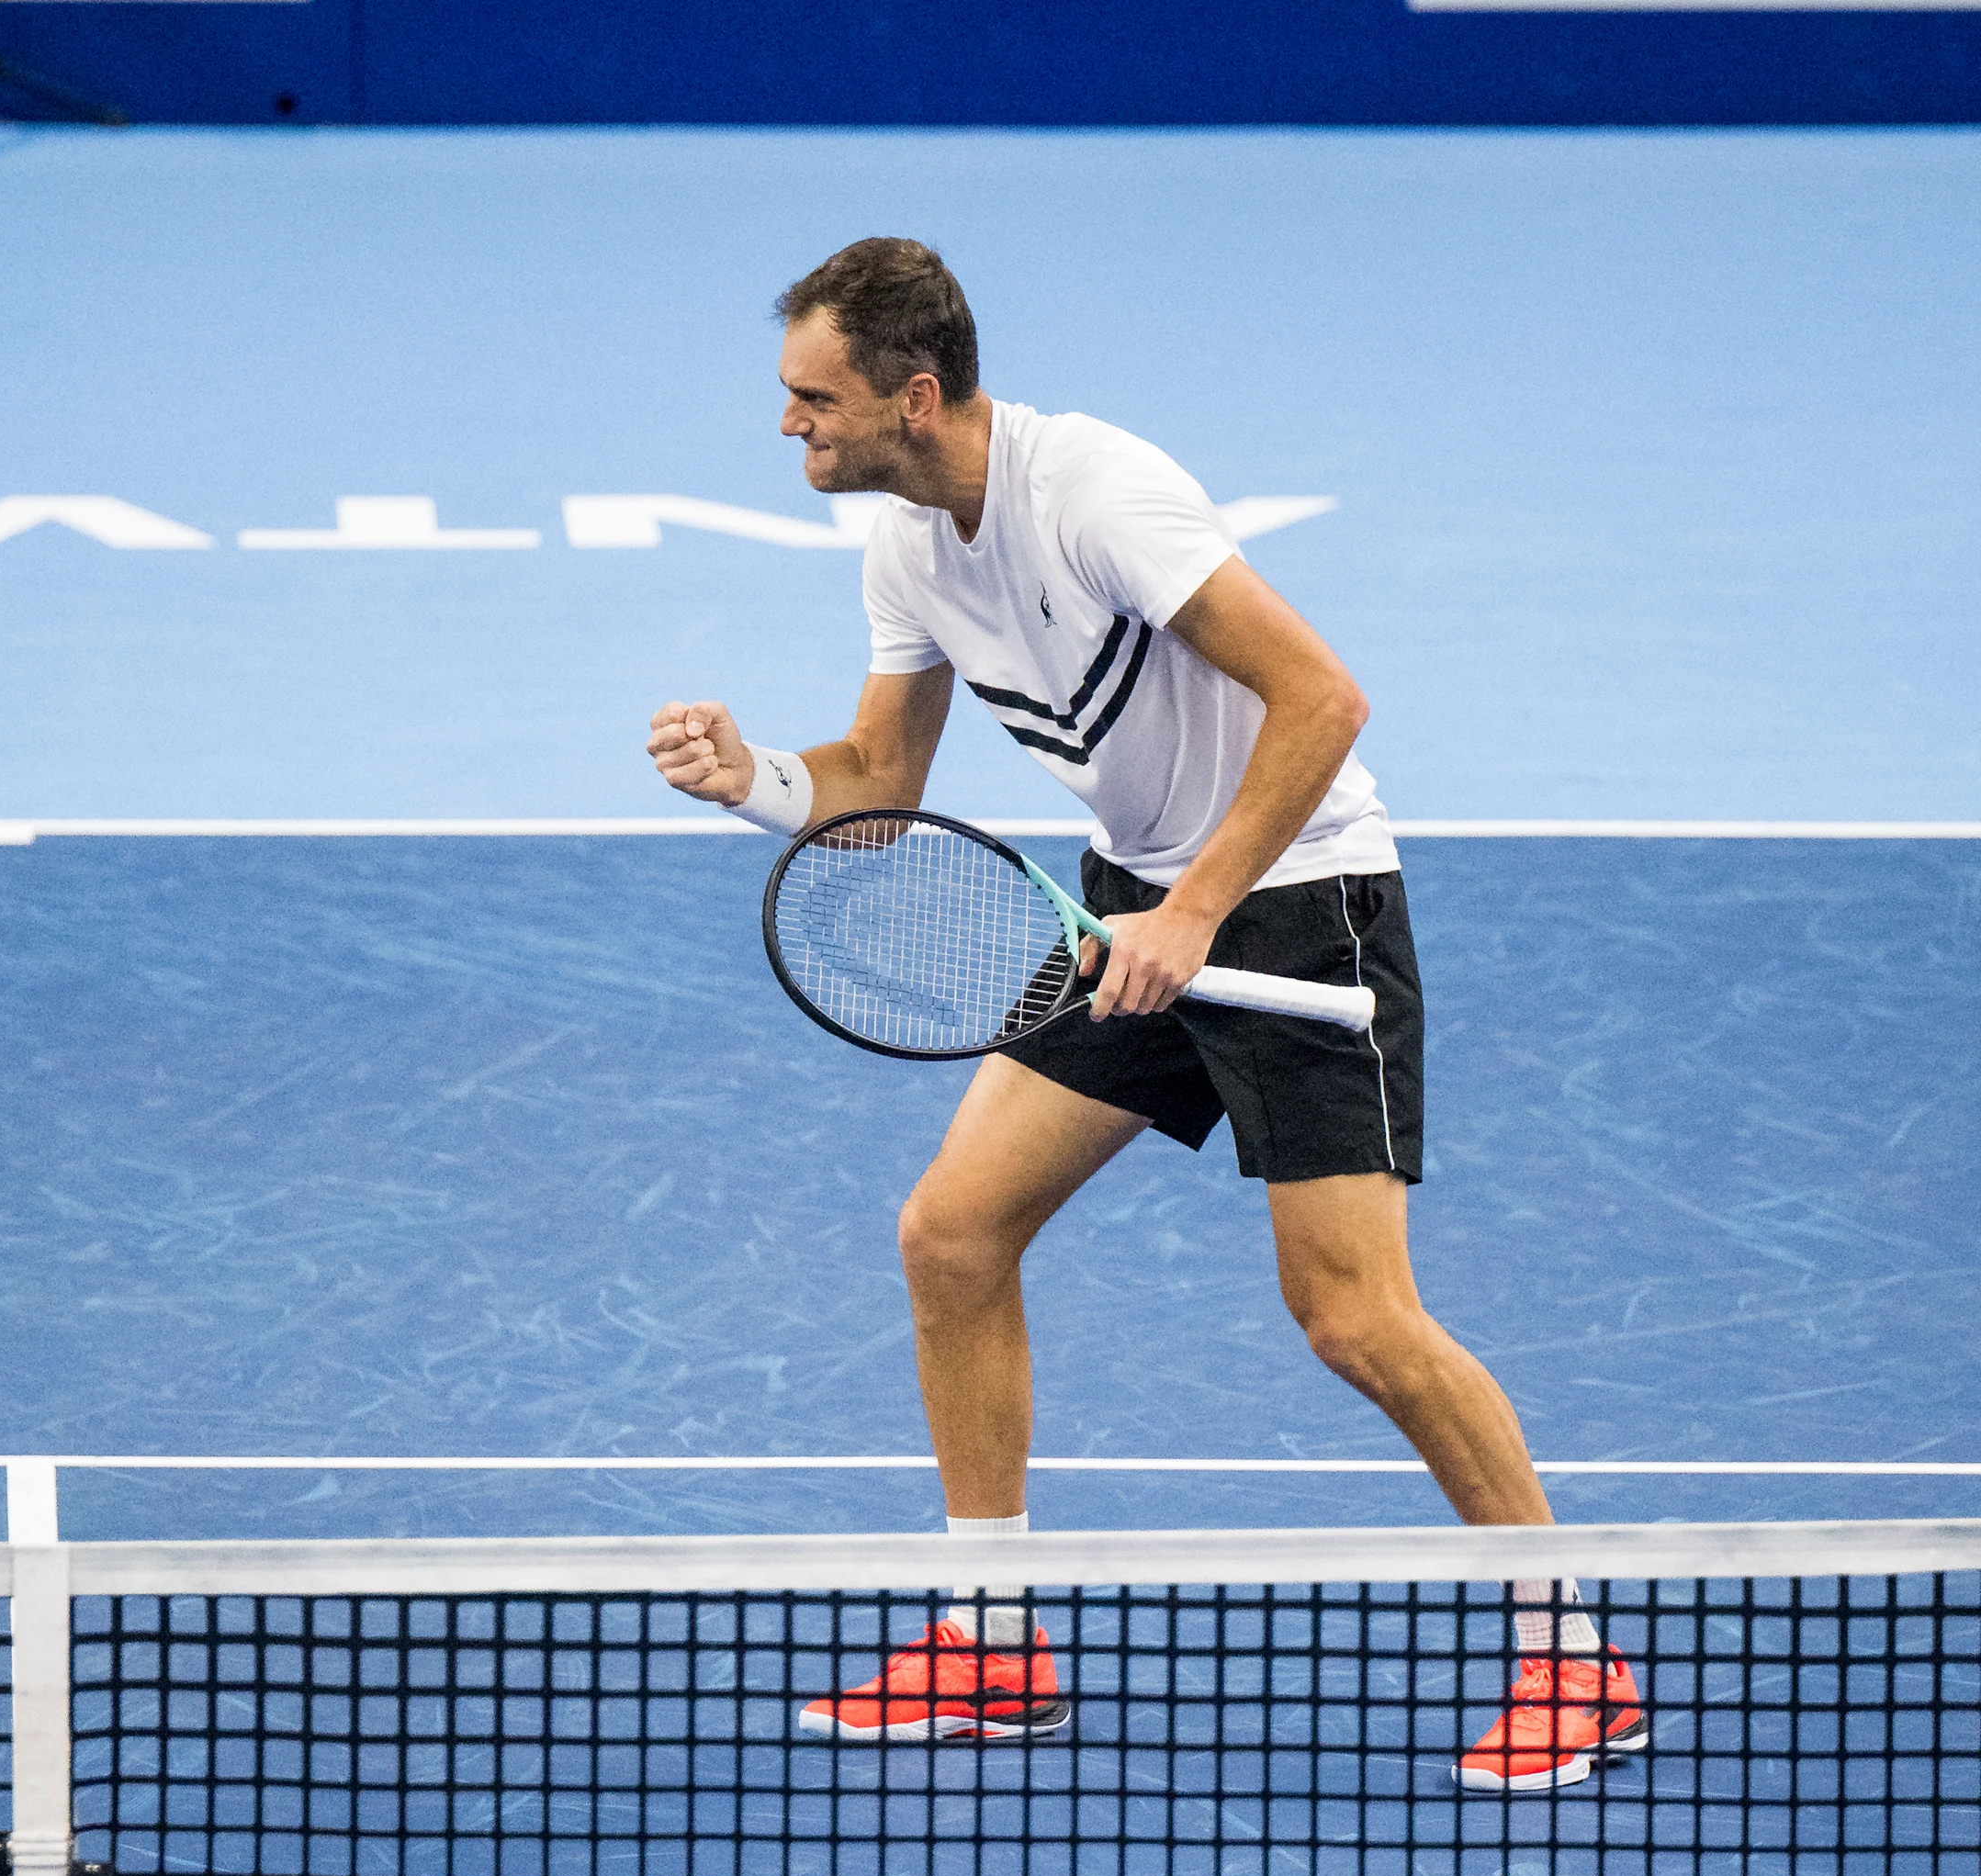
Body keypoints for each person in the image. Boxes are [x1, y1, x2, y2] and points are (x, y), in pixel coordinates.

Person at [645, 238, 1641, 1794]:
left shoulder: (1098, 494)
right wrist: (754, 783)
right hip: (1135, 912)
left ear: (916, 396)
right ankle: (992, 1639)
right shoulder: (908, 544)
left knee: (1354, 1319)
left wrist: (1193, 912)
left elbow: (1325, 698)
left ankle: (1574, 1656)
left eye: (812, 398)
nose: (791, 427)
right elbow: (879, 792)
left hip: (1302, 905)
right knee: (953, 1232)